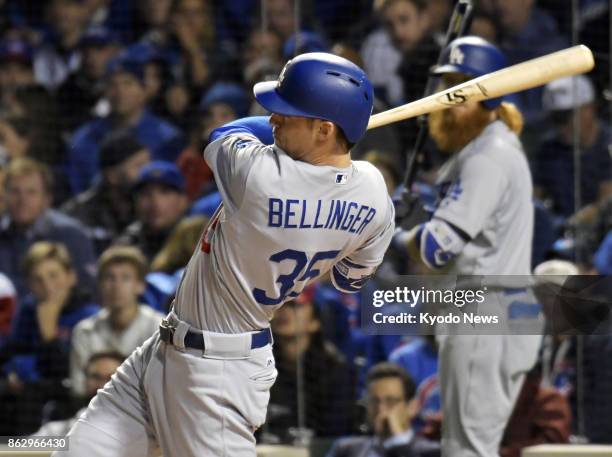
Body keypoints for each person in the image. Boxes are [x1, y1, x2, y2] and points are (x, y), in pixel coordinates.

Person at [55, 52, 394, 457]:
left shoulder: (261, 177)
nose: (273, 119)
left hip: (216, 372)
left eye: (288, 114)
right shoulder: (375, 193)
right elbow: (347, 279)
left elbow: (225, 131)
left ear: (324, 129)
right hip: (167, 350)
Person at [394, 37, 541, 457]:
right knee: (466, 447)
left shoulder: (488, 156)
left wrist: (396, 233)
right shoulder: (487, 150)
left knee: (467, 451)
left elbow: (437, 247)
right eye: (447, 89)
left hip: (484, 309)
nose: (448, 102)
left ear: (490, 99)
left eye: (462, 91)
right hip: (490, 308)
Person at [67, 54, 183, 194]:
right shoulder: (83, 139)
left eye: (128, 83)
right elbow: (76, 190)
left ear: (144, 90)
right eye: (112, 85)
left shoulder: (168, 138)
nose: (120, 92)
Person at [70, 246, 163, 396]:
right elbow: (79, 388)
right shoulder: (84, 331)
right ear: (100, 285)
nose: (116, 286)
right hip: (94, 410)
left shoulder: (158, 328)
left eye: (125, 278)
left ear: (140, 286)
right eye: (109, 278)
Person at [267, 288, 356, 441]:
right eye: (279, 305)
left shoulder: (335, 369)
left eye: (295, 306)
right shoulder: (258, 363)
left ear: (315, 322)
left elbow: (335, 433)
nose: (284, 311)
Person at [0, 158, 97, 296]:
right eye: (15, 191)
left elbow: (88, 290)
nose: (22, 200)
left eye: (31, 192)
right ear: (5, 195)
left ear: (46, 199)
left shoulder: (70, 234)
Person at [534, 75, 612, 219]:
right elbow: (534, 197)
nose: (560, 126)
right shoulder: (548, 149)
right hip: (558, 232)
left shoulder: (608, 146)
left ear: (589, 110)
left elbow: (607, 202)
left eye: (565, 117)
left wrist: (582, 219)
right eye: (555, 118)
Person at [61, 132, 151, 252]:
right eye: (139, 166)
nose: (147, 172)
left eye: (148, 164)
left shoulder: (151, 210)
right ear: (112, 176)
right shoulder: (78, 215)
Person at [327, 362, 440, 457]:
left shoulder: (433, 452)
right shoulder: (346, 450)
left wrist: (398, 440)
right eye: (374, 401)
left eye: (391, 401)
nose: (381, 409)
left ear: (412, 407)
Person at [32, 352, 124, 437]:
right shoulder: (59, 430)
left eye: (111, 378)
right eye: (96, 377)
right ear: (85, 381)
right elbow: (22, 451)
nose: (102, 385)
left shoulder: (136, 430)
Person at [115, 161, 189, 260]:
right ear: (135, 202)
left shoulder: (198, 241)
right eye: (145, 193)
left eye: (164, 192)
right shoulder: (126, 245)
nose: (155, 203)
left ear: (183, 200)